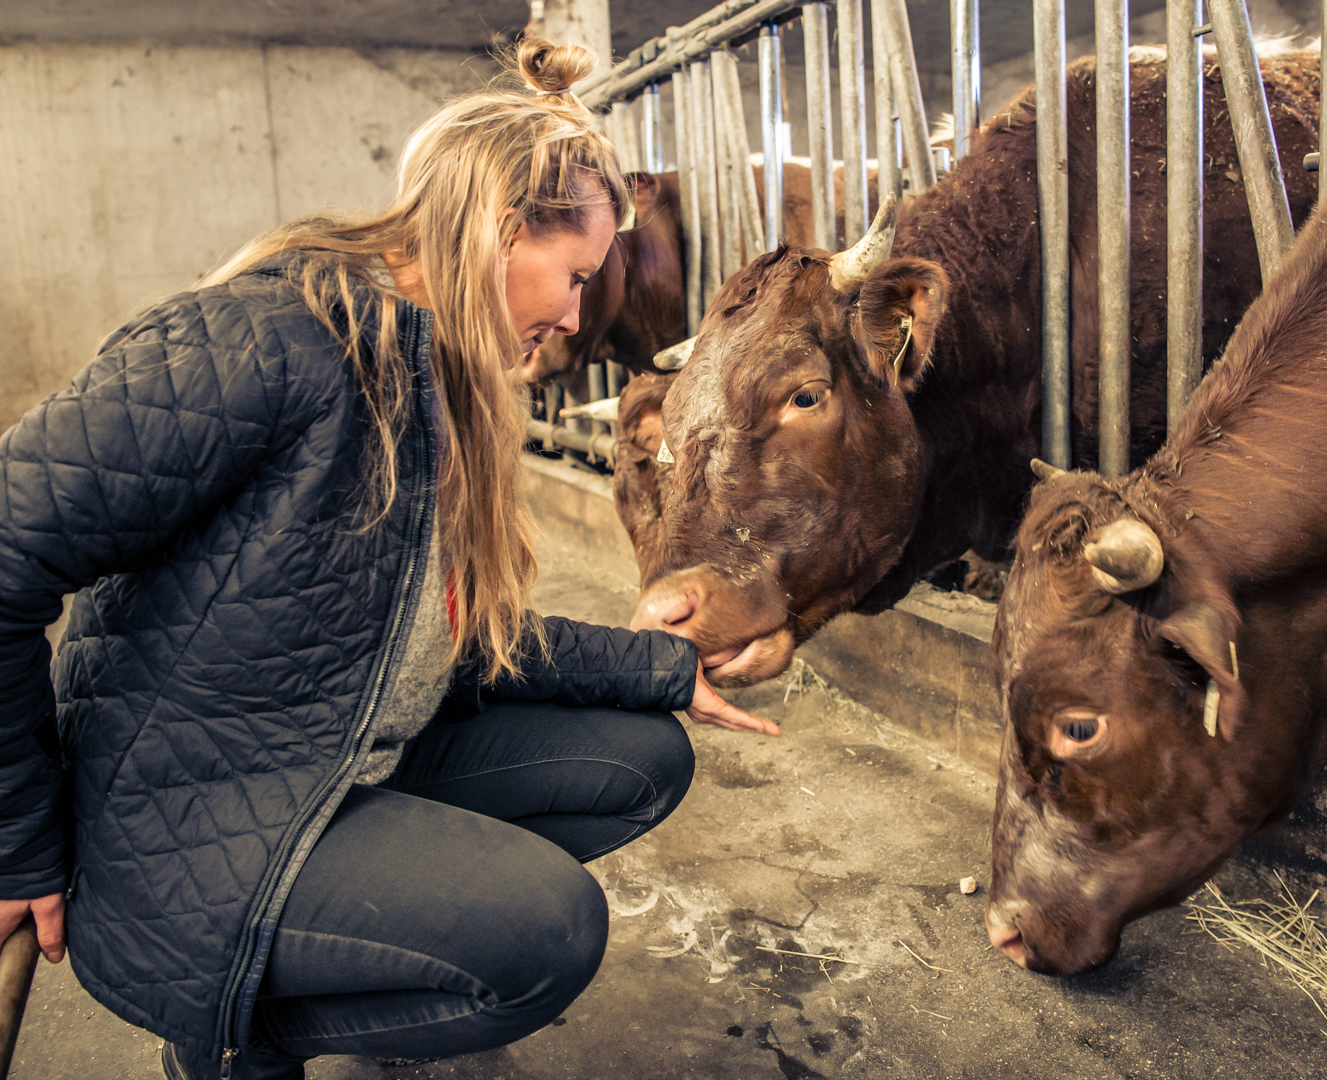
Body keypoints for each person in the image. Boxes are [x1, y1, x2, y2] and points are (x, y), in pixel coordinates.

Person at [0, 37, 776, 1080]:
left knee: (640, 761)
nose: (573, 319)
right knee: (539, 937)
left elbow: (454, 639)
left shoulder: (433, 380)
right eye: (574, 276)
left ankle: (298, 965)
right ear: (504, 232)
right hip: (189, 808)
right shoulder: (264, 342)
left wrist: (664, 670)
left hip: (330, 744)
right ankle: (220, 1033)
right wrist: (18, 836)